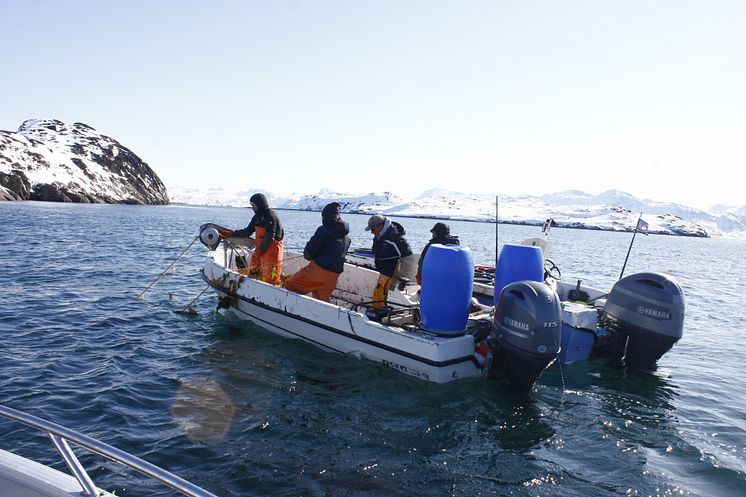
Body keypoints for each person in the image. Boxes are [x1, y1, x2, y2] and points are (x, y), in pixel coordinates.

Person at [283, 202, 351, 302]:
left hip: (318, 272)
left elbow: (308, 255)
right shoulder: (347, 238)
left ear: (325, 217)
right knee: (321, 301)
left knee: (290, 285)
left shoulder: (323, 230)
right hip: (333, 277)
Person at [220, 193, 284, 285]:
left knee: (271, 276)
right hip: (260, 250)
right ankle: (252, 287)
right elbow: (248, 231)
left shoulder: (271, 216)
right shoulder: (257, 217)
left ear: (259, 205)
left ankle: (273, 292)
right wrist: (232, 233)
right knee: (253, 270)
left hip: (272, 251)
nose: (252, 208)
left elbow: (270, 236)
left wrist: (260, 250)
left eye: (253, 206)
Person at [365, 214, 413, 307]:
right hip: (383, 272)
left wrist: (402, 275)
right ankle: (376, 311)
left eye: (373, 229)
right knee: (378, 293)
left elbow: (408, 257)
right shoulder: (379, 235)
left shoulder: (396, 238)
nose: (372, 232)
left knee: (386, 296)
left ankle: (383, 314)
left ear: (380, 226)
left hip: (393, 274)